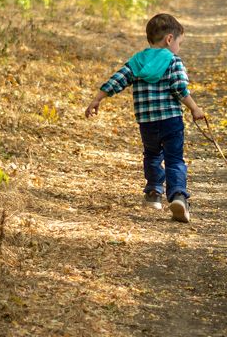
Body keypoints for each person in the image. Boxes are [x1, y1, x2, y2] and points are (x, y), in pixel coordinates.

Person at [85, 13, 205, 223]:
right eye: (179, 43)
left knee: (152, 155)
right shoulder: (173, 61)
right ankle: (178, 196)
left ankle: (153, 193)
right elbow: (179, 88)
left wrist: (97, 99)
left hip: (147, 123)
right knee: (174, 159)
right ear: (169, 39)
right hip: (171, 120)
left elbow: (117, 80)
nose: (179, 48)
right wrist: (195, 108)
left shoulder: (137, 61)